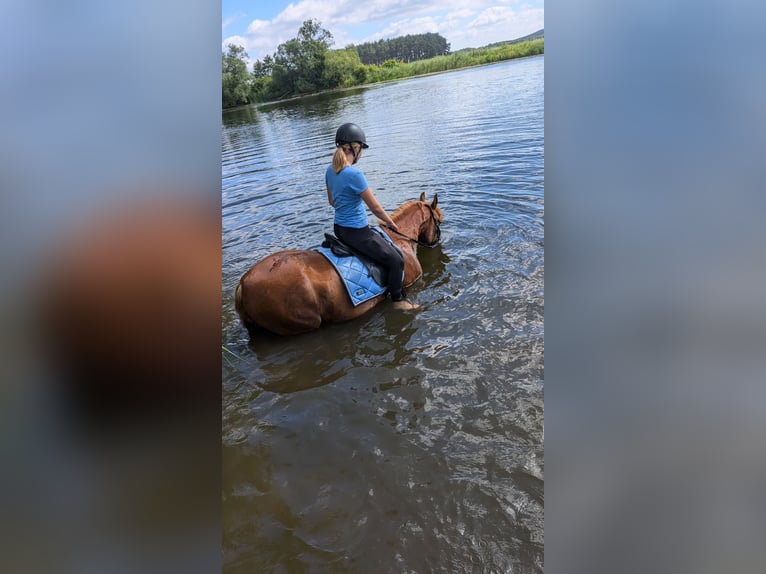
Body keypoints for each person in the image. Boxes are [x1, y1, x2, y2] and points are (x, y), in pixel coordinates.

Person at [325, 122, 418, 310]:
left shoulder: (330, 170)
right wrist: (391, 223)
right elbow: (375, 208)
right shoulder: (354, 174)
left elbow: (332, 202)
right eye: (361, 149)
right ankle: (398, 301)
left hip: (339, 229)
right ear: (355, 147)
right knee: (396, 260)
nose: (362, 154)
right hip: (357, 232)